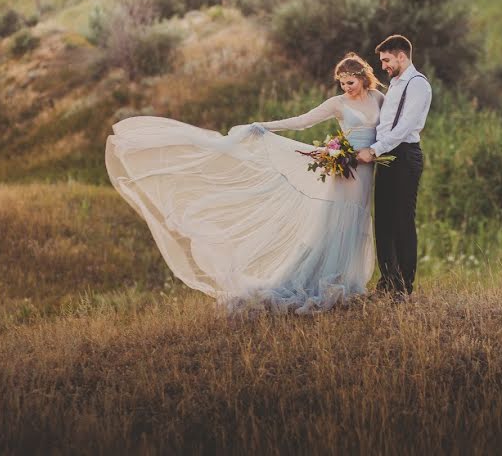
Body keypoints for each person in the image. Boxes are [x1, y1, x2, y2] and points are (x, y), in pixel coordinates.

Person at [105, 53, 384, 314]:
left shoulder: (379, 98)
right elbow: (301, 122)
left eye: (350, 82)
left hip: (366, 169)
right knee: (332, 223)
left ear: (363, 76)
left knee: (356, 222)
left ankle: (348, 281)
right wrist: (265, 126)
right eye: (342, 83)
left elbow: (391, 127)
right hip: (343, 170)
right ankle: (319, 280)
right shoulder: (338, 103)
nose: (346, 87)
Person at [357, 35, 432, 298]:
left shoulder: (418, 84)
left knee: (402, 221)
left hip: (405, 155)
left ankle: (404, 287)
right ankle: (388, 282)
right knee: (384, 222)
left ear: (402, 56)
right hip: (386, 155)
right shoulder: (395, 84)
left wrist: (374, 150)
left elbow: (405, 127)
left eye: (387, 60)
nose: (384, 66)